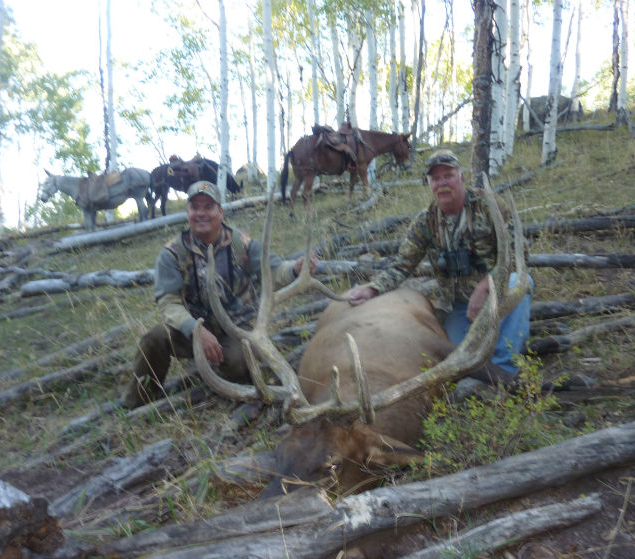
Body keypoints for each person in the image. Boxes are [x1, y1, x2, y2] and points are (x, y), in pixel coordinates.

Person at [344, 149, 532, 386]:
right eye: (436, 178)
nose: (442, 183)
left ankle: (504, 371)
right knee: (458, 363)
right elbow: (402, 265)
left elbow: (519, 254)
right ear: (430, 183)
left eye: (448, 176)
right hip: (460, 308)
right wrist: (372, 288)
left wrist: (486, 285)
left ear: (461, 177)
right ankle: (491, 362)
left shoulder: (490, 207)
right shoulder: (426, 222)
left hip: (496, 295)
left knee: (519, 282)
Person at [124, 180, 317, 408]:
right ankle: (137, 402)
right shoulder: (173, 253)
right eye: (195, 207)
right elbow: (169, 302)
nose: (201, 213)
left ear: (220, 212)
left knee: (237, 364)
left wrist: (295, 269)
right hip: (192, 330)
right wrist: (196, 330)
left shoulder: (242, 245)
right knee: (153, 339)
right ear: (187, 213)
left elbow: (273, 271)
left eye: (208, 207)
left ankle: (222, 373)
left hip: (237, 328)